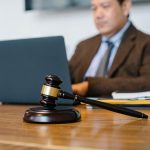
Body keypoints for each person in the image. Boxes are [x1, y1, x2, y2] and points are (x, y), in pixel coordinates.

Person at [69, 0, 150, 97]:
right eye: (94, 8)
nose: (98, 15)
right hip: (78, 110)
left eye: (105, 6)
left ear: (125, 7)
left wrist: (89, 86)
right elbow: (66, 80)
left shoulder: (145, 43)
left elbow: (146, 82)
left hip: (118, 111)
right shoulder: (83, 46)